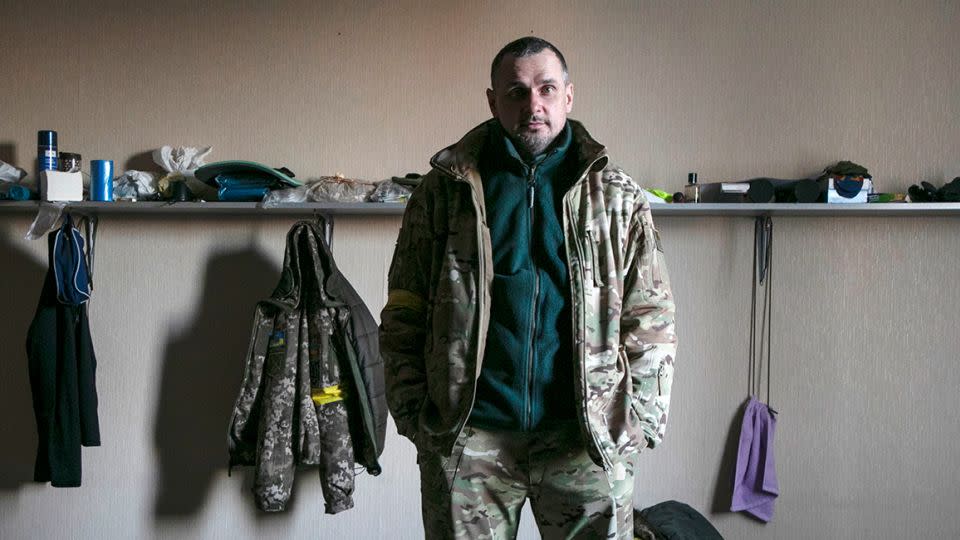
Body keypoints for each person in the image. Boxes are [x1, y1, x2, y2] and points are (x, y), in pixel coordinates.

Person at [379, 36, 677, 539]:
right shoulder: (445, 192)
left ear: (568, 96)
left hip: (583, 441)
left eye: (546, 89)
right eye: (516, 92)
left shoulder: (619, 198)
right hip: (470, 439)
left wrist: (637, 422)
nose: (532, 105)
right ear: (493, 101)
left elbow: (650, 316)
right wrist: (416, 414)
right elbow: (405, 307)